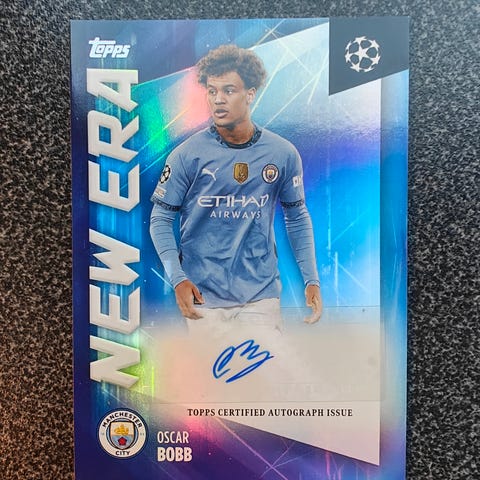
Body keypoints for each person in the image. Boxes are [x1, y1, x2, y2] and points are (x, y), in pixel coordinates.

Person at [150, 44, 322, 331]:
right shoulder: (186, 155)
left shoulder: (282, 153)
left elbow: (296, 216)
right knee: (212, 365)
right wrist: (177, 278)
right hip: (204, 300)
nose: (218, 100)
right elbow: (160, 219)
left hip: (261, 297)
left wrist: (311, 279)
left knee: (266, 363)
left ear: (250, 94)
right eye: (212, 91)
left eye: (229, 91)